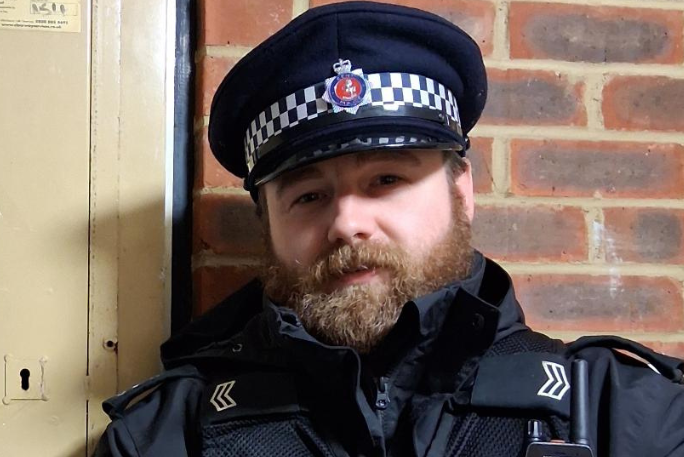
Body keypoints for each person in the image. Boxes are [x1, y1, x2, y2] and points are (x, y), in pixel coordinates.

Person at [94, 2, 684, 456]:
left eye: (385, 180)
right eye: (308, 195)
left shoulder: (623, 415)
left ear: (461, 191)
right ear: (266, 224)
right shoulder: (166, 436)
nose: (348, 223)